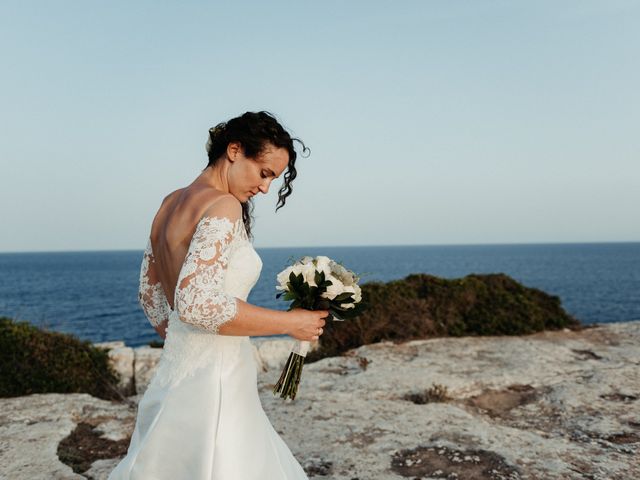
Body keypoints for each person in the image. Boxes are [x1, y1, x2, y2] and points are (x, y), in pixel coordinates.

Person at [108, 111, 328, 479]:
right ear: (234, 150)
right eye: (264, 173)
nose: (265, 188)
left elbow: (150, 295)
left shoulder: (169, 202)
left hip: (178, 373)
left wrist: (183, 342)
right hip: (215, 381)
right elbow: (198, 305)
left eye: (273, 179)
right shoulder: (223, 205)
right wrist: (292, 323)